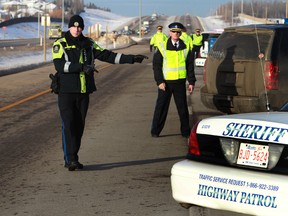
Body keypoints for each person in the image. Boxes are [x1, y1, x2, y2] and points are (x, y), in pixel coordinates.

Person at [52, 15, 148, 171]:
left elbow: (107, 55)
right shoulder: (60, 44)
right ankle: (70, 159)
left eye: (79, 27)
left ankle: (73, 156)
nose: (77, 29)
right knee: (68, 125)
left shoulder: (89, 44)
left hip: (84, 91)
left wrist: (131, 59)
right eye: (74, 27)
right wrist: (82, 67)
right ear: (69, 27)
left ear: (82, 28)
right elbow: (59, 65)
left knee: (79, 126)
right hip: (66, 91)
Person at [151, 22, 196, 138]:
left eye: (178, 32)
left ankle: (185, 132)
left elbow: (190, 65)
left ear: (180, 33)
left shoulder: (185, 46)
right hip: (165, 83)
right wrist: (159, 81)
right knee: (161, 107)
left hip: (180, 82)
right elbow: (156, 66)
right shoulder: (162, 46)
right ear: (170, 32)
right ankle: (155, 131)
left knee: (182, 108)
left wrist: (191, 81)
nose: (176, 34)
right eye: (173, 31)